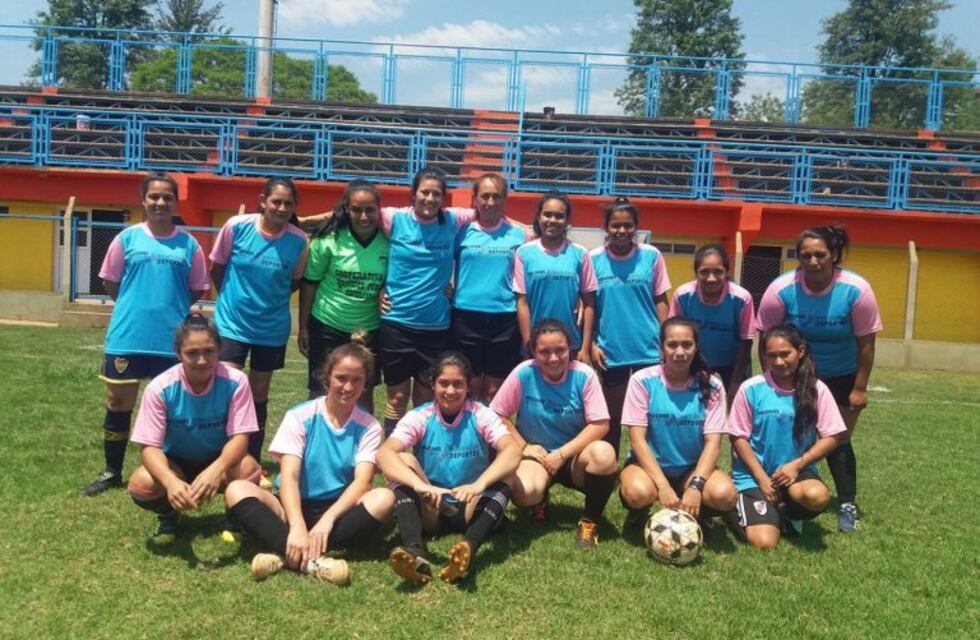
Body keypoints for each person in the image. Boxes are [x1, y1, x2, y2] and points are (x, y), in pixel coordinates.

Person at [224, 336, 394, 583]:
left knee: (384, 498)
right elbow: (290, 477)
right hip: (292, 504)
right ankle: (312, 561)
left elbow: (362, 483)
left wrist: (328, 520)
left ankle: (285, 555)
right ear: (327, 378)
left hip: (337, 509)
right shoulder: (300, 416)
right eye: (341, 378)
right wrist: (297, 525)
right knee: (236, 490)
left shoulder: (369, 426)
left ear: (366, 382)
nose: (348, 387)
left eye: (356, 380)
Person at [82, 172, 210, 496]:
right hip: (129, 335)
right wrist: (136, 304)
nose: (160, 202)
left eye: (167, 197)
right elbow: (111, 283)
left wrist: (168, 307)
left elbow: (197, 289)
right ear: (143, 200)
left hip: (170, 341)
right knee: (118, 402)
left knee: (169, 407)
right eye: (154, 196)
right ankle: (112, 470)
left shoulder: (189, 244)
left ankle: (167, 471)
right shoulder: (126, 239)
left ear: (175, 201)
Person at [756, 225, 881, 533]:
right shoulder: (781, 289)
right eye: (805, 255)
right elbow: (766, 340)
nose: (812, 261)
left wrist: (860, 387)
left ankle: (847, 504)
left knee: (838, 439)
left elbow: (866, 343)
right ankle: (785, 497)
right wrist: (770, 381)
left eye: (820, 255)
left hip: (840, 374)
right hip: (794, 376)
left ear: (834, 255)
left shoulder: (856, 290)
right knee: (790, 434)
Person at [377, 352, 521, 585]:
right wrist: (421, 486)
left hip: (472, 504)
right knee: (401, 460)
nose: (451, 391)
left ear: (468, 385)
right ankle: (416, 553)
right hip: (433, 506)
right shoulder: (420, 416)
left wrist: (479, 485)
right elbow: (385, 454)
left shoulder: (481, 414)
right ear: (432, 384)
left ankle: (469, 548)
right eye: (444, 383)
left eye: (458, 384)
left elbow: (512, 450)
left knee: (508, 474)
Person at [126, 314, 260, 544]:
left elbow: (240, 438)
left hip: (219, 458)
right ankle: (168, 515)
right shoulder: (160, 388)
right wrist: (169, 482)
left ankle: (235, 517)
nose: (201, 360)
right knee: (141, 484)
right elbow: (149, 447)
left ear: (219, 349)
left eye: (209, 351)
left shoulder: (237, 381)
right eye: (192, 353)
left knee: (249, 469)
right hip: (175, 461)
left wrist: (215, 470)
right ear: (178, 353)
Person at [489, 319, 617, 550]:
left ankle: (589, 521)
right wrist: (524, 446)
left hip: (574, 457)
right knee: (525, 493)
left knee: (605, 454)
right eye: (544, 352)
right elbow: (497, 414)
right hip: (537, 455)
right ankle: (540, 500)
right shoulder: (523, 373)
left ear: (571, 348)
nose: (554, 358)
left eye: (560, 350)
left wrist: (562, 454)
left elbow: (600, 424)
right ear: (533, 353)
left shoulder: (584, 375)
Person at [210, 177, 309, 462]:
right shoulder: (236, 226)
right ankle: (220, 454)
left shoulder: (299, 241)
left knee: (259, 392)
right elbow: (217, 268)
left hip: (271, 328)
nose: (281, 208)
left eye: (288, 203)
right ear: (263, 200)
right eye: (276, 201)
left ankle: (250, 457)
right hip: (232, 324)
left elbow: (294, 282)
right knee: (228, 386)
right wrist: (232, 298)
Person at [728, 324, 847, 549]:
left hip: (795, 473)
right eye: (771, 356)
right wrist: (762, 479)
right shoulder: (751, 388)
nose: (779, 362)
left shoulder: (816, 389)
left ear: (800, 352)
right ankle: (733, 505)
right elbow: (738, 437)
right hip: (755, 475)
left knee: (818, 496)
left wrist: (798, 464)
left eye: (785, 354)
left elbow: (833, 435)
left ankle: (785, 512)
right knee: (765, 543)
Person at [376, 167, 476, 434]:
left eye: (436, 194)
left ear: (443, 198)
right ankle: (393, 461)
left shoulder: (452, 220)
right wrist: (379, 288)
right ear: (413, 193)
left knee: (424, 399)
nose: (430, 199)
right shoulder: (392, 218)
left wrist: (528, 229)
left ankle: (420, 457)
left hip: (435, 328)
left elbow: (492, 213)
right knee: (396, 398)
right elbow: (349, 214)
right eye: (425, 192)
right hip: (396, 323)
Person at [618, 318, 736, 529]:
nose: (679, 352)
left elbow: (713, 444)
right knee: (637, 493)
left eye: (687, 344)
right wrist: (662, 485)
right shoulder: (642, 381)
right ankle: (641, 510)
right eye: (672, 344)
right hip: (648, 467)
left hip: (691, 468)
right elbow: (637, 440)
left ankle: (698, 512)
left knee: (725, 495)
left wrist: (696, 485)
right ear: (661, 347)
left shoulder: (712, 385)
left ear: (696, 347)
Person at [589, 197, 670, 455]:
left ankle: (647, 462)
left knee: (650, 413)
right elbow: (588, 305)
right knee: (612, 415)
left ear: (636, 228)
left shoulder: (651, 256)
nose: (622, 231)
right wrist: (590, 344)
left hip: (649, 349)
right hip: (611, 350)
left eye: (628, 225)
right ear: (606, 227)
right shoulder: (593, 259)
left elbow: (660, 300)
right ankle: (610, 464)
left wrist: (666, 342)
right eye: (615, 225)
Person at [299, 180, 388, 410]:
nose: (364, 216)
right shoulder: (329, 240)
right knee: (320, 391)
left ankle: (363, 446)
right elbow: (310, 284)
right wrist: (304, 326)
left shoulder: (389, 242)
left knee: (364, 393)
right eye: (357, 209)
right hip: (328, 325)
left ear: (379, 209)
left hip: (369, 329)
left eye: (370, 209)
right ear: (346, 209)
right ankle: (313, 442)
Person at [451, 173, 528, 402]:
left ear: (505, 200)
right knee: (469, 387)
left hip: (504, 320)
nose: (490, 203)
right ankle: (470, 436)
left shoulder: (520, 235)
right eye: (485, 196)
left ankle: (491, 437)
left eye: (497, 197)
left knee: (494, 390)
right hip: (466, 318)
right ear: (475, 199)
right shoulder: (461, 232)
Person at [513, 190, 597, 365]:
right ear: (539, 217)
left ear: (567, 220)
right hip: (537, 347)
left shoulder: (580, 254)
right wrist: (530, 345)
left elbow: (589, 303)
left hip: (571, 346)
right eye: (547, 214)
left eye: (559, 216)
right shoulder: (524, 253)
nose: (552, 220)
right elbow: (522, 302)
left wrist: (585, 348)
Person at [668, 244, 754, 398]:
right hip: (695, 359)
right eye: (704, 272)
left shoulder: (742, 298)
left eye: (718, 272)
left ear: (727, 272)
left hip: (733, 361)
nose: (711, 278)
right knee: (696, 401)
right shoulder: (683, 295)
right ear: (696, 272)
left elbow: (746, 341)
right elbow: (674, 335)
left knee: (737, 404)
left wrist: (735, 383)